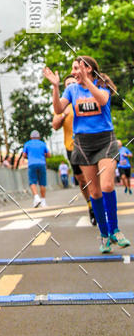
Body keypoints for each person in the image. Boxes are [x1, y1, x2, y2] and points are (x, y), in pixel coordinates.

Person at [45, 56, 130, 253]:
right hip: (83, 143)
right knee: (94, 192)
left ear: (88, 68)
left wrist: (87, 82)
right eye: (73, 69)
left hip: (105, 140)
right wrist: (56, 87)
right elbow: (58, 109)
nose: (74, 72)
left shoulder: (101, 85)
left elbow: (101, 101)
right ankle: (104, 235)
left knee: (107, 185)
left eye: (77, 68)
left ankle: (115, 230)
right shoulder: (71, 89)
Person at [52, 75, 96, 225]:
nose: (71, 86)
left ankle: (98, 202)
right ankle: (90, 204)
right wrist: (63, 114)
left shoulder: (86, 97)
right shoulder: (63, 105)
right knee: (82, 179)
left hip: (90, 144)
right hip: (72, 147)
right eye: (67, 84)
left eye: (73, 83)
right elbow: (55, 125)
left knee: (94, 178)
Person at [22, 130, 50, 207]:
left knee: (32, 182)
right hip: (42, 164)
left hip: (31, 164)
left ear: (31, 137)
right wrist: (42, 155)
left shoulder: (27, 144)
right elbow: (48, 154)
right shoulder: (42, 144)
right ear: (39, 137)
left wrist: (30, 156)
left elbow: (24, 155)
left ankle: (36, 197)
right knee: (42, 183)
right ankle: (43, 201)